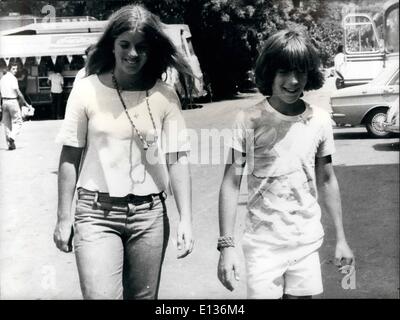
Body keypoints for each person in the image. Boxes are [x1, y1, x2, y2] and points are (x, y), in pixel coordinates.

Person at [53, 4, 195, 300]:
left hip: (149, 216)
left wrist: (186, 219)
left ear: (151, 49)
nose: (132, 54)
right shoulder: (86, 89)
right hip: (95, 213)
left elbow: (177, 158)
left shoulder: (165, 95)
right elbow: (70, 155)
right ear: (112, 44)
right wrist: (63, 217)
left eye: (141, 47)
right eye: (124, 44)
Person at [217, 29, 354, 299]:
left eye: (300, 72)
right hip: (262, 245)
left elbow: (327, 179)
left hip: (306, 242)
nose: (293, 81)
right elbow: (231, 184)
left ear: (309, 73)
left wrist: (341, 238)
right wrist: (226, 246)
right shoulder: (249, 119)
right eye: (283, 72)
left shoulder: (320, 120)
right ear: (269, 72)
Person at [0, 62, 30, 150]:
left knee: (7, 124)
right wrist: (26, 103)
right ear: (9, 68)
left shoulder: (2, 79)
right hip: (12, 101)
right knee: (19, 121)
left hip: (4, 102)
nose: (15, 71)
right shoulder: (13, 79)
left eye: (16, 69)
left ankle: (10, 145)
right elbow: (19, 92)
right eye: (13, 69)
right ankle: (12, 137)